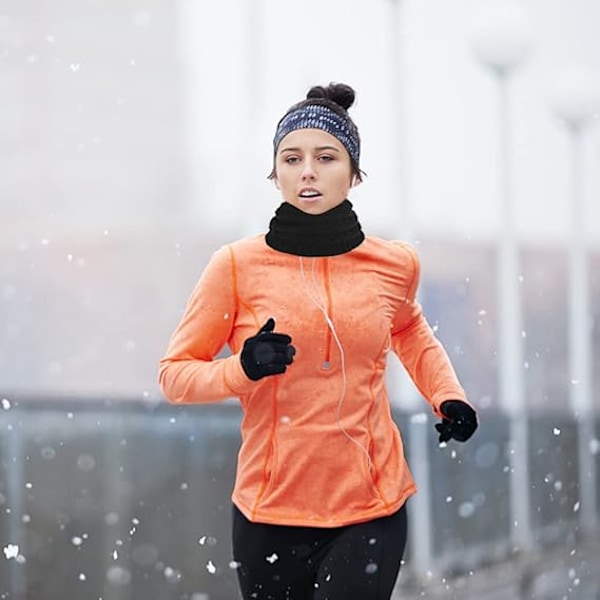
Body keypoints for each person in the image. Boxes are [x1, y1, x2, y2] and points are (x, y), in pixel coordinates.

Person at [158, 82, 478, 600]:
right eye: (292, 158)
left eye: (326, 157)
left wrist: (448, 395)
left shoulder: (393, 265)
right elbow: (174, 374)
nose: (307, 170)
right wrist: (243, 368)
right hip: (271, 509)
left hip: (370, 503)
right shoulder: (236, 266)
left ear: (354, 173)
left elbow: (409, 329)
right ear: (276, 173)